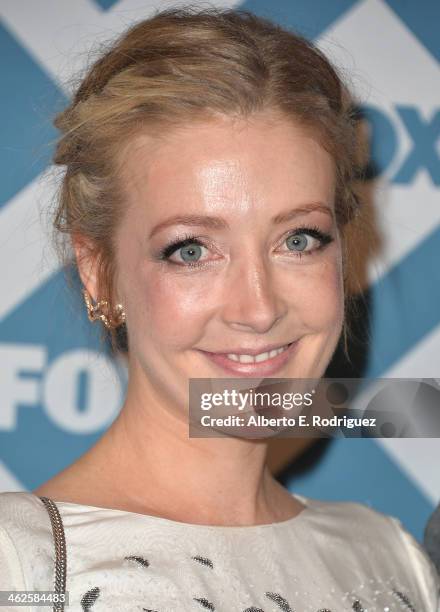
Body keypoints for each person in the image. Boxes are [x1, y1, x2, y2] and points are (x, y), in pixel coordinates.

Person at [0, 7, 438, 612]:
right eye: (192, 250)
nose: (258, 309)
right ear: (99, 272)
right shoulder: (20, 568)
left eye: (299, 240)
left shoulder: (395, 559)